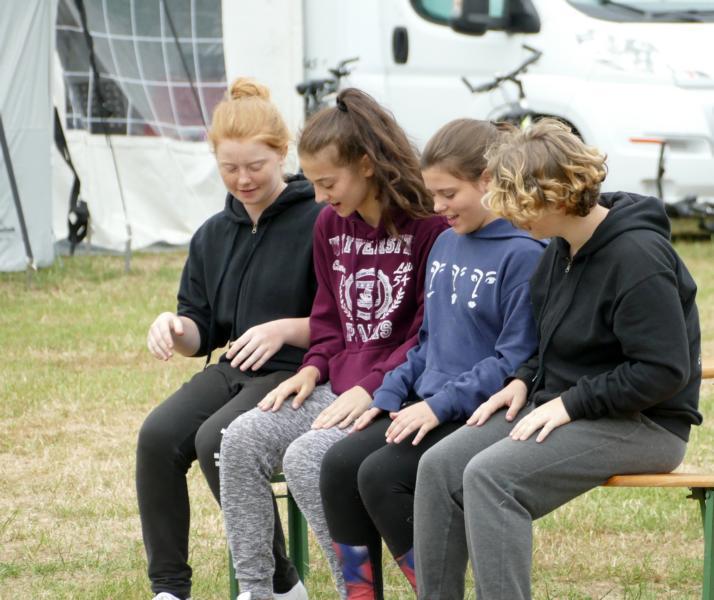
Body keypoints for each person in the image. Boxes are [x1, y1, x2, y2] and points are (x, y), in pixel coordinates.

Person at [414, 118, 703, 600]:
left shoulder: (638, 257)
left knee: (491, 478)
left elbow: (663, 372)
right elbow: (546, 338)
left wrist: (569, 404)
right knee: (438, 468)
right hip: (566, 404)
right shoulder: (560, 249)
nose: (507, 213)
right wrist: (523, 378)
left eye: (517, 202)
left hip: (646, 422)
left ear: (557, 197)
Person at [219, 88, 447, 600]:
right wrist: (312, 367)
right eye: (314, 183)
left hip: (399, 392)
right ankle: (258, 592)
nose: (319, 197)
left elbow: (426, 335)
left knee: (308, 458)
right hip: (339, 385)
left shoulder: (430, 228)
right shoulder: (330, 225)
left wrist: (373, 388)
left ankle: (358, 593)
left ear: (366, 165)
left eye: (328, 183)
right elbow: (328, 318)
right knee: (240, 439)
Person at [310, 118, 545, 599]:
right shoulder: (444, 243)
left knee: (382, 476)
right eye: (432, 193)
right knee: (337, 465)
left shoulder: (524, 254)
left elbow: (513, 360)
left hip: (477, 411)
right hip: (428, 402)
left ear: (488, 181)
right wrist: (388, 393)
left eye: (448, 194)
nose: (437, 207)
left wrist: (437, 406)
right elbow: (426, 341)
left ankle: (438, 591)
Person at [136, 78, 321, 600]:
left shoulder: (321, 221)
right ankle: (169, 590)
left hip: (300, 371)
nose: (243, 179)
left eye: (255, 166)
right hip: (234, 370)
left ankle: (282, 584)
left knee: (217, 438)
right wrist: (175, 328)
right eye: (229, 168)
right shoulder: (213, 234)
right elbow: (202, 331)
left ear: (281, 153)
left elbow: (347, 321)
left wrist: (286, 329)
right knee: (156, 438)